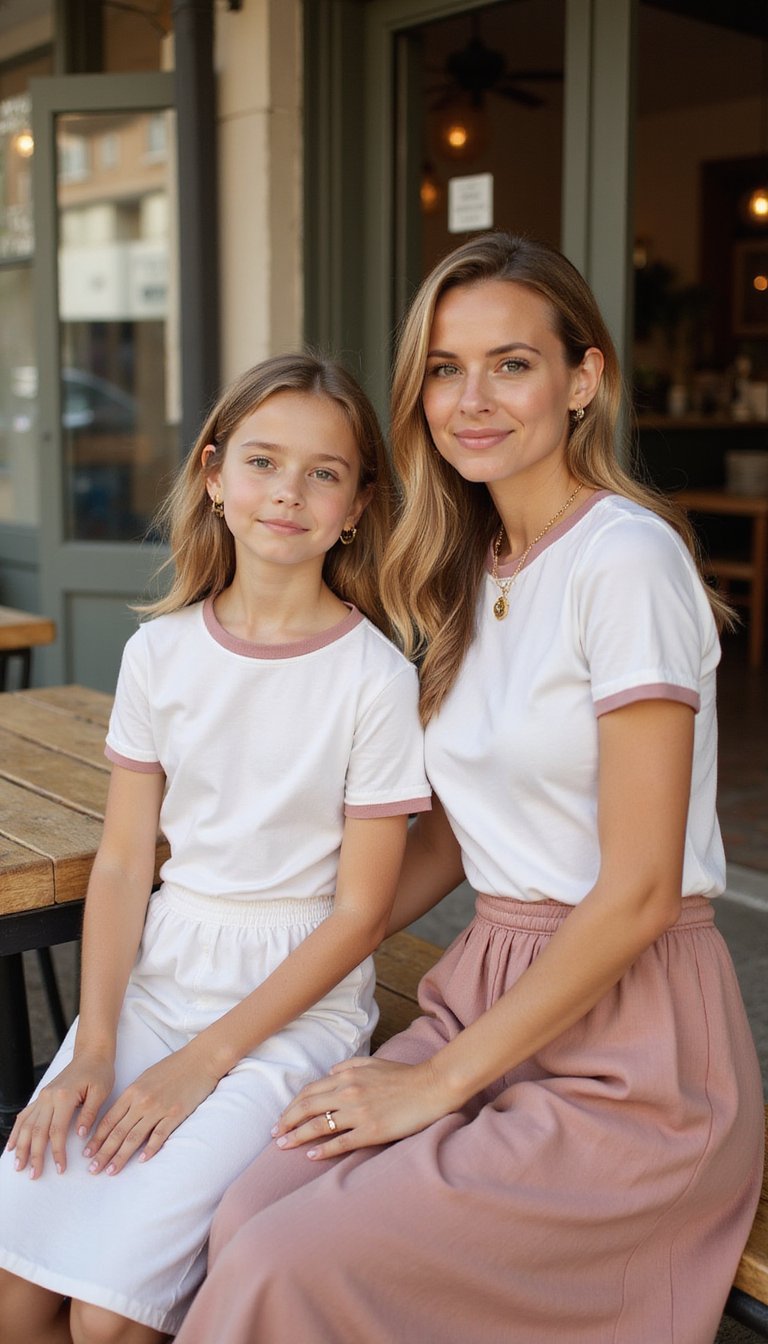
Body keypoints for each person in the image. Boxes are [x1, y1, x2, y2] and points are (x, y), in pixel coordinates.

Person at [174, 234, 764, 1344]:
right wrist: (274, 943)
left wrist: (436, 1084)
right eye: (444, 369)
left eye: (511, 364)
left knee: (289, 1263)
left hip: (631, 1050)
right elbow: (456, 838)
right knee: (243, 1208)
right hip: (488, 991)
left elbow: (636, 893)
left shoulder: (625, 561)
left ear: (583, 381)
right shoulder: (469, 566)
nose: (471, 399)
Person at [0, 353, 430, 1344]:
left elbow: (362, 913)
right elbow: (120, 866)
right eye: (263, 461)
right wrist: (93, 1046)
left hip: (290, 1011)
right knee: (17, 1295)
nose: (288, 491)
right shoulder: (159, 652)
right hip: (156, 983)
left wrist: (204, 1063)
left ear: (360, 505)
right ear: (213, 474)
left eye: (325, 472)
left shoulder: (373, 677)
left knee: (108, 1321)